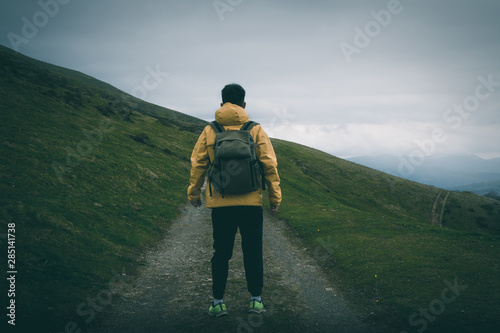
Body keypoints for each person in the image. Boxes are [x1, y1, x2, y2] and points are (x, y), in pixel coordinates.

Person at [187, 83, 282, 317]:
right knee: (252, 251)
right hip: (251, 204)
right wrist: (274, 196)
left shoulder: (211, 130)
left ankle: (218, 302)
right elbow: (269, 164)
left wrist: (194, 193)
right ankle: (256, 301)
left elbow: (198, 164)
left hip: (221, 204)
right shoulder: (255, 129)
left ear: (222, 104)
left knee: (221, 253)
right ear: (244, 104)